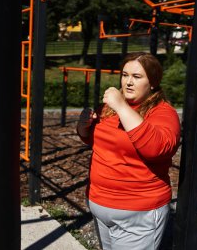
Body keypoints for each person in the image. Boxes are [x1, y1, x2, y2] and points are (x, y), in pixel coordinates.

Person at [76, 52, 181, 250]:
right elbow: (95, 140)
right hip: (101, 205)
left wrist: (122, 106)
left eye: (137, 76)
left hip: (138, 212)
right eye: (125, 75)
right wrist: (83, 126)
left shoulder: (163, 113)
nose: (128, 82)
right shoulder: (109, 108)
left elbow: (157, 149)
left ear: (153, 82)